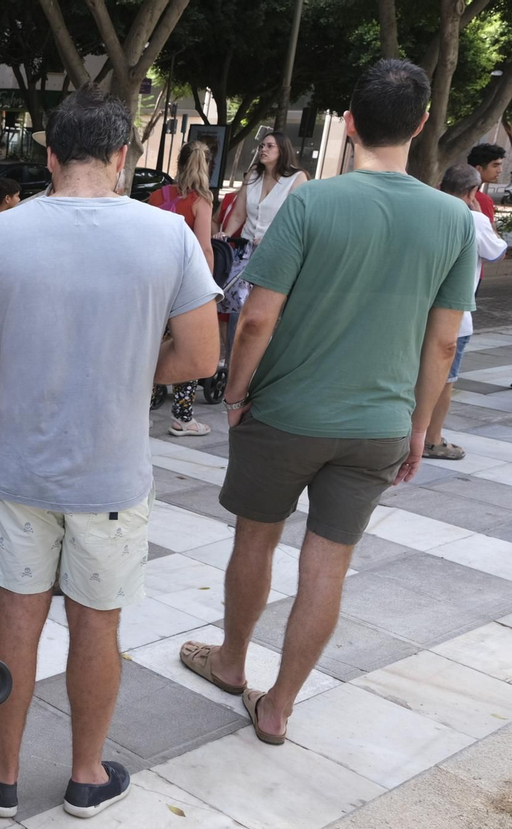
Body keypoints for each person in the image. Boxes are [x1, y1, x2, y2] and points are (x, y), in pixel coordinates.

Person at [181, 60, 477, 747]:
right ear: (423, 123)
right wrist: (417, 428)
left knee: (255, 540)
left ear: (348, 123)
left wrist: (233, 391)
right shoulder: (453, 222)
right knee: (327, 566)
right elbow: (441, 347)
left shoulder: (311, 203)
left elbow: (257, 317)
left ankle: (231, 661)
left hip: (284, 412)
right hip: (378, 425)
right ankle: (279, 705)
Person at [0, 86, 220, 819]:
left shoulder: (4, 231)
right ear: (124, 155)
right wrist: (132, 366)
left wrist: (24, 350)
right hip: (112, 475)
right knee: (99, 623)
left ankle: (1, 773)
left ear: (50, 154)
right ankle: (86, 774)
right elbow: (199, 355)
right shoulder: (168, 236)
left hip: (20, 469)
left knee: (17, 618)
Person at [421, 163, 505, 461]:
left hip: (416, 310)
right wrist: (484, 218)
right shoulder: (473, 219)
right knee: (444, 380)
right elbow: (496, 252)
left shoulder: (425, 211)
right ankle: (431, 440)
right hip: (455, 316)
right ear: (473, 191)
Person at [149, 140, 218, 438]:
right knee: (186, 348)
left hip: (153, 283)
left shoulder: (154, 196)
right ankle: (183, 417)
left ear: (178, 162)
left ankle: (143, 407)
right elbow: (204, 248)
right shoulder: (201, 200)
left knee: (151, 345)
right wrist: (208, 289)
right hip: (183, 287)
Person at [216, 131, 307, 324]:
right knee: (237, 305)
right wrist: (226, 233)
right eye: (261, 146)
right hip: (246, 250)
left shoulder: (297, 179)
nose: (263, 149)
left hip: (275, 253)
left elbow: (296, 221)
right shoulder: (253, 175)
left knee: (262, 312)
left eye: (269, 146)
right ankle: (234, 352)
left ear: (282, 150)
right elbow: (239, 214)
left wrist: (272, 239)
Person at [467, 142, 504, 218]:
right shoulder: (483, 200)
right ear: (479, 169)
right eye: (495, 166)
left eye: (500, 165)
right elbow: (489, 229)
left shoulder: (451, 190)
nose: (500, 170)